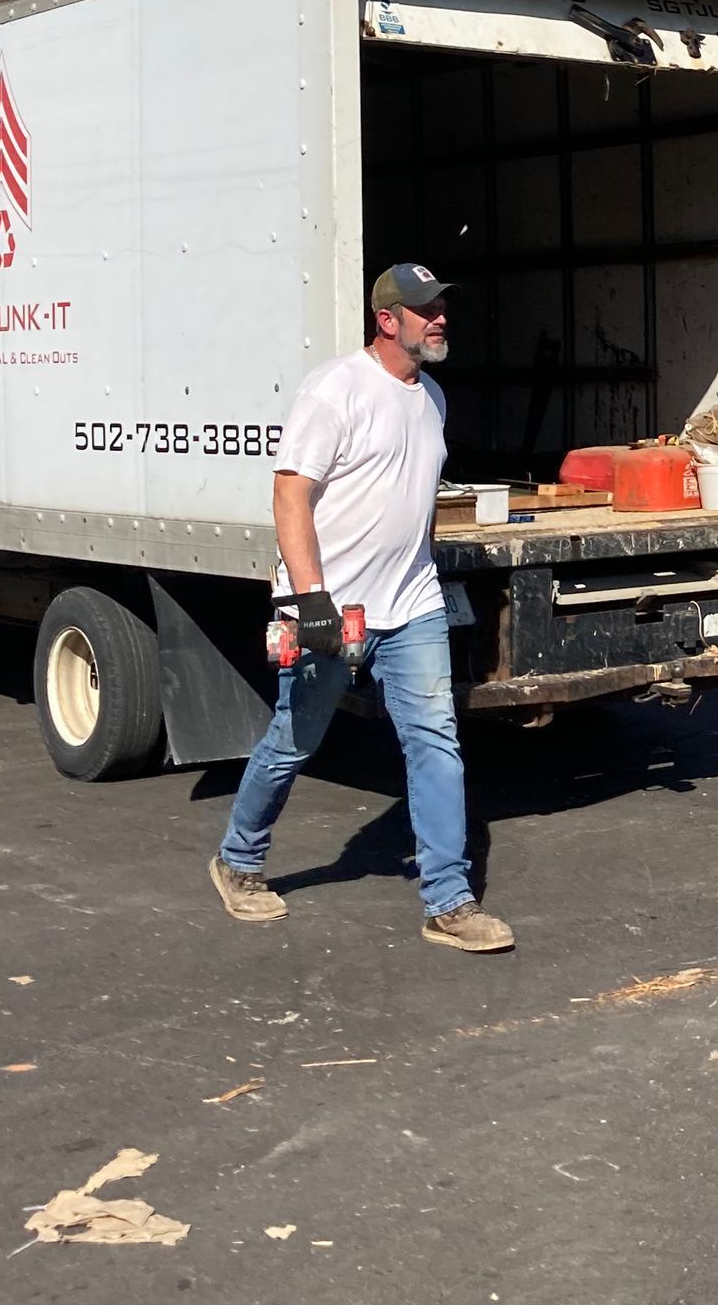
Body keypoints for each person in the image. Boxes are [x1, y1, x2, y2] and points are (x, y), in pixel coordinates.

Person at [208, 262, 513, 954]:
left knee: (436, 741)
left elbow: (418, 501)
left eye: (442, 307)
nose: (440, 319)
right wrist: (309, 598)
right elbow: (291, 495)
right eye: (426, 309)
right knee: (295, 740)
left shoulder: (432, 397)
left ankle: (449, 901)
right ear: (388, 320)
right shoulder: (335, 390)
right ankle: (238, 860)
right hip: (331, 612)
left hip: (411, 607)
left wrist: (426, 571)